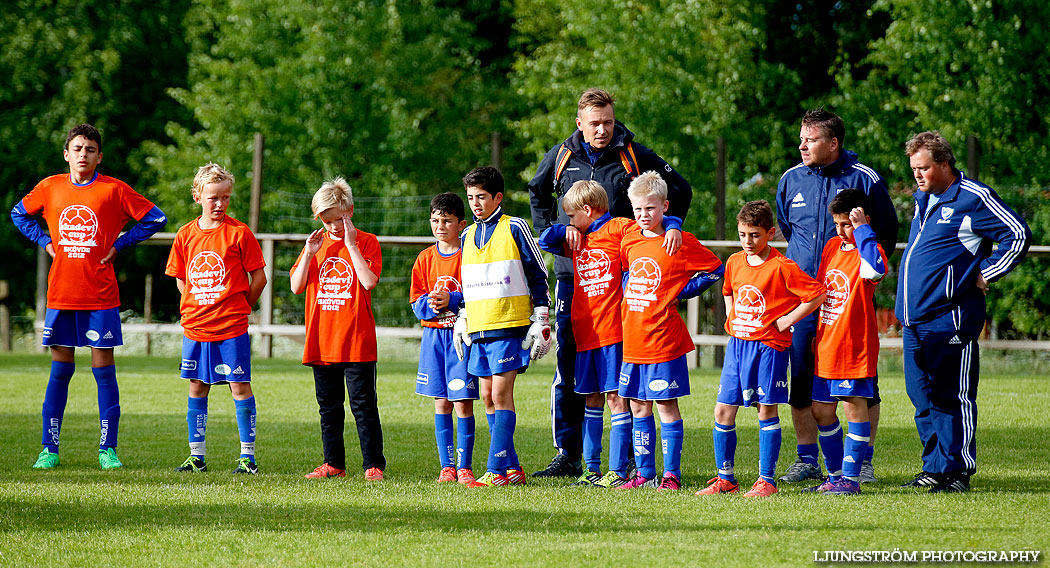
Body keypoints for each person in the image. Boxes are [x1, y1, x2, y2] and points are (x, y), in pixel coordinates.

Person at [528, 87, 693, 478]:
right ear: (579, 124)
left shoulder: (633, 153)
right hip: (573, 277)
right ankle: (569, 453)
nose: (602, 129)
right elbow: (536, 193)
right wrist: (553, 231)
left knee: (622, 365)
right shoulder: (561, 155)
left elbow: (678, 191)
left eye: (608, 122)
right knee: (569, 361)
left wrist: (669, 227)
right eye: (595, 123)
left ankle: (632, 456)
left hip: (622, 282)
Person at [12, 123, 167, 470]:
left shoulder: (113, 190)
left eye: (90, 150)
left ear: (100, 157)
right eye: (78, 148)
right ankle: (49, 449)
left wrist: (120, 243)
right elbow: (18, 213)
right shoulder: (50, 187)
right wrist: (45, 241)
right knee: (60, 373)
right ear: (66, 154)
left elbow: (156, 218)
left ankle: (107, 449)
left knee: (104, 372)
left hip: (100, 297)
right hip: (62, 296)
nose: (84, 154)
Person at [896, 131, 1030, 493]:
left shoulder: (973, 197)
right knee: (921, 396)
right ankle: (935, 467)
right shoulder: (924, 198)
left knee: (952, 395)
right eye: (913, 169)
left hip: (951, 317)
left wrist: (987, 272)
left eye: (923, 168)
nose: (918, 176)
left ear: (944, 164)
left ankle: (957, 471)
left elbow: (1018, 233)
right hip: (915, 320)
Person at [775, 108, 898, 484]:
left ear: (833, 143)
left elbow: (886, 233)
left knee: (861, 387)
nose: (802, 146)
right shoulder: (790, 179)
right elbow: (786, 227)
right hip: (802, 302)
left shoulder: (864, 178)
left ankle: (862, 463)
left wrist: (859, 277)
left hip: (848, 304)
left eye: (810, 140)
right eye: (801, 138)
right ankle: (807, 458)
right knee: (803, 382)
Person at [537, 179, 684, 487]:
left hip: (614, 333)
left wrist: (674, 225)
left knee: (616, 400)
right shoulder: (576, 236)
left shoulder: (619, 228)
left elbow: (651, 224)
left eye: (572, 217)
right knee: (591, 399)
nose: (570, 222)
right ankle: (591, 469)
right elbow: (545, 239)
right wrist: (564, 229)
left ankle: (617, 471)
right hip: (584, 332)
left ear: (588, 210)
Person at [696, 200, 824, 498]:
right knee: (723, 410)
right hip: (738, 347)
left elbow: (816, 294)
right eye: (742, 234)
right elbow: (728, 291)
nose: (747, 241)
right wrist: (731, 316)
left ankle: (766, 481)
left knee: (766, 410)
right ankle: (725, 479)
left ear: (770, 232)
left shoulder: (782, 266)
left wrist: (787, 320)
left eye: (754, 234)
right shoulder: (735, 262)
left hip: (768, 349)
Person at [615, 172, 723, 491]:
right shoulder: (630, 238)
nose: (643, 215)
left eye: (650, 208)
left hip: (664, 339)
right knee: (637, 405)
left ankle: (671, 475)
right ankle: (645, 474)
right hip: (633, 338)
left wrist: (683, 290)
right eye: (637, 209)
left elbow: (716, 269)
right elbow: (625, 270)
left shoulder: (679, 240)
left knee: (665, 405)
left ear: (664, 206)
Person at [452, 166, 551, 487]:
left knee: (500, 392)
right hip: (480, 327)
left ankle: (495, 471)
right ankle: (513, 468)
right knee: (487, 397)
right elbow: (467, 282)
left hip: (511, 325)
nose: (475, 204)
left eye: (481, 197)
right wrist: (463, 316)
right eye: (470, 198)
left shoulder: (516, 227)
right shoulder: (466, 235)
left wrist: (542, 316)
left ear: (498, 197)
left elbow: (538, 273)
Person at [166, 163, 266, 474]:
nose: (219, 204)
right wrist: (193, 305)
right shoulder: (185, 235)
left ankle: (247, 458)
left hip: (231, 327)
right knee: (197, 387)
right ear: (197, 196)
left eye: (225, 197)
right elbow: (181, 279)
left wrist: (240, 306)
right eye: (213, 198)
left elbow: (259, 277)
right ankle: (197, 456)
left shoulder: (238, 233)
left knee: (239, 386)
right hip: (196, 328)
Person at [291, 177, 386, 481]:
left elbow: (369, 281)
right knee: (328, 408)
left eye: (337, 218)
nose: (332, 226)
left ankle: (373, 465)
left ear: (350, 210)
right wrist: (308, 253)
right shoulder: (316, 245)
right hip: (322, 341)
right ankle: (333, 463)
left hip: (357, 341)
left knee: (363, 406)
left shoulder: (366, 241)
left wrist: (351, 245)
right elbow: (296, 287)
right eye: (325, 219)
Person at [805, 189, 889, 495]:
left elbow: (875, 271)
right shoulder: (831, 246)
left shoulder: (872, 249)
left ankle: (851, 480)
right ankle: (836, 475)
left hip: (854, 348)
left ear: (863, 220)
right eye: (837, 224)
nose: (842, 231)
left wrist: (863, 230)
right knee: (820, 410)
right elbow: (822, 289)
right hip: (827, 344)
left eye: (848, 224)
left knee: (854, 410)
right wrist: (816, 330)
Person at [409, 192, 478, 484]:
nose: (440, 226)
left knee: (463, 402)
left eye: (447, 221)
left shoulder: (469, 255)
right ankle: (447, 466)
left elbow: (477, 293)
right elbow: (415, 301)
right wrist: (431, 305)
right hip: (434, 338)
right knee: (441, 402)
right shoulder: (425, 258)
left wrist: (452, 299)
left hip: (461, 339)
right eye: (436, 220)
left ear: (460, 224)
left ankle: (465, 465)